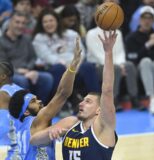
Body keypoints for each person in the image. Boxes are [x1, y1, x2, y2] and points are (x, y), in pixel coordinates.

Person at [30, 31, 118, 160]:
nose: (81, 103)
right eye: (83, 100)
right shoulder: (70, 123)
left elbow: (107, 89)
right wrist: (50, 133)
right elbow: (33, 141)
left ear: (99, 110)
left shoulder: (104, 127)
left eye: (88, 102)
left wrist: (108, 52)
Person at [7, 37, 82, 159]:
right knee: (72, 121)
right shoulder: (37, 120)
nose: (40, 101)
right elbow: (62, 93)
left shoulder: (18, 125)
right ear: (26, 111)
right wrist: (73, 67)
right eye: (33, 102)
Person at [0, 10, 53, 104]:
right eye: (17, 22)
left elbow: (33, 58)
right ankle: (24, 109)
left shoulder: (27, 39)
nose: (20, 26)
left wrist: (28, 70)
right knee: (22, 80)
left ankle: (39, 108)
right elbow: (3, 64)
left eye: (23, 23)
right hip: (10, 74)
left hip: (27, 71)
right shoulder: (1, 41)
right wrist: (18, 71)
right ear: (10, 22)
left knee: (47, 78)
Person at [125, 6, 154, 114]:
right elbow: (132, 58)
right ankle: (153, 99)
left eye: (150, 18)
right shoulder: (131, 37)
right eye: (144, 18)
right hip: (141, 69)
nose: (147, 21)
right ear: (139, 19)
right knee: (145, 61)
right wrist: (148, 45)